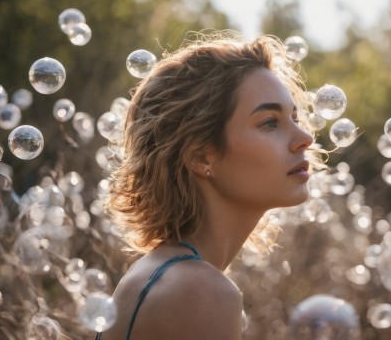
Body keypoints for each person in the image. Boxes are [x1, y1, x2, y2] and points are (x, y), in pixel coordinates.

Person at [96, 30, 317, 339]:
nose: (305, 139)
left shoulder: (159, 272)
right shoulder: (200, 291)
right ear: (201, 157)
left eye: (295, 117)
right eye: (270, 122)